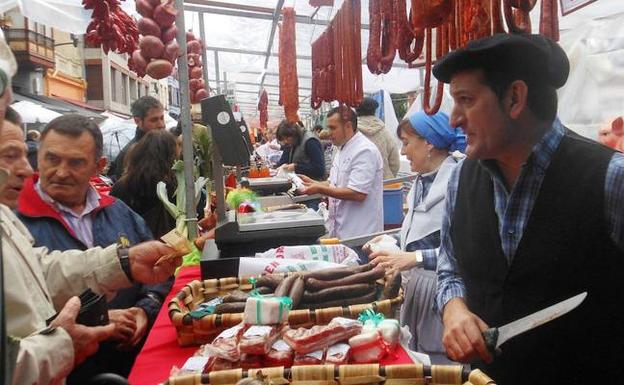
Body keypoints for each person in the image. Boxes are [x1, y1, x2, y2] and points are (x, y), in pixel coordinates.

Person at [432, 34, 624, 384]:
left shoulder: (611, 177)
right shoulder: (462, 179)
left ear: (515, 98)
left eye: (465, 100)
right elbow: (450, 269)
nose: (454, 120)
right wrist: (454, 310)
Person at [0, 99, 179, 384]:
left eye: (75, 162)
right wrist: (98, 318)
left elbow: (41, 273)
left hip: (128, 362)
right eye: (51, 159)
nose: (60, 172)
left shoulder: (118, 211)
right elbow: (29, 304)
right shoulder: (17, 216)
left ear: (99, 166)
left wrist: (144, 306)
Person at [364, 110, 465, 362]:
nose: (404, 152)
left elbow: (465, 251)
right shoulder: (420, 181)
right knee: (416, 359)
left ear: (429, 142)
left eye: (407, 143)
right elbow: (419, 230)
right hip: (417, 290)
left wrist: (415, 257)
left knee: (441, 362)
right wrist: (392, 241)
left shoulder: (459, 181)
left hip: (446, 293)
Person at [301, 106, 384, 239]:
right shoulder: (341, 149)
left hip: (360, 233)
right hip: (341, 230)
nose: (329, 133)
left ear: (348, 126)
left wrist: (319, 189)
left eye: (333, 128)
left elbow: (358, 193)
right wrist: (314, 183)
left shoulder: (365, 151)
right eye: (328, 128)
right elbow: (333, 182)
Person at [111, 129, 179, 239]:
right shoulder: (171, 185)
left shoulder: (121, 186)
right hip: (167, 246)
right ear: (169, 156)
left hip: (134, 247)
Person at [107, 96, 165, 181]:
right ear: (137, 121)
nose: (161, 124)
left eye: (162, 118)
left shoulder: (167, 145)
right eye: (154, 120)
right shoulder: (130, 154)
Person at [356, 97, 400, 179]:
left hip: (355, 186)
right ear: (374, 111)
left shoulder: (350, 133)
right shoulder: (385, 132)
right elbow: (395, 162)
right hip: (384, 184)